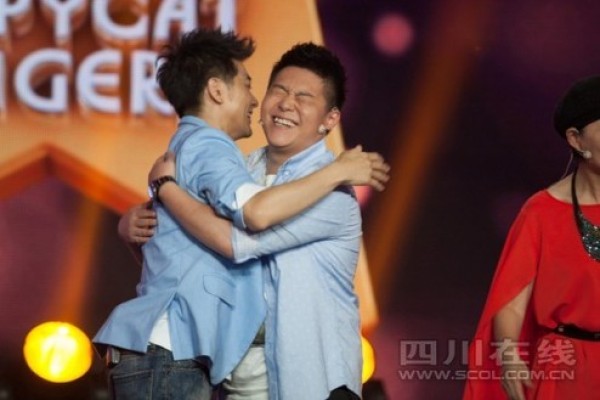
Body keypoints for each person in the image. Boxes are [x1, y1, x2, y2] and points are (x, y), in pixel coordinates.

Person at [94, 29, 389, 400]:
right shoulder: (233, 171)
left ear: (329, 120)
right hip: (237, 385)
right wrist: (133, 229)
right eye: (278, 90)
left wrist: (167, 188)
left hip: (311, 385)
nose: (286, 104)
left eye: (304, 97)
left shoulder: (332, 194)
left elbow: (241, 240)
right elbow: (187, 257)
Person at [463, 75, 600, 400]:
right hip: (566, 369)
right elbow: (511, 302)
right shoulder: (541, 212)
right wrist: (510, 358)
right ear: (576, 139)